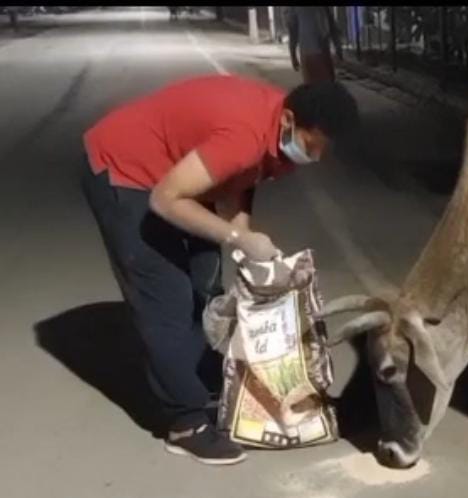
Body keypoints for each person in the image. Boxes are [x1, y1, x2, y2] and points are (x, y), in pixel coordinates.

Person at [80, 75, 359, 465]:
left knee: (205, 277)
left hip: (178, 175)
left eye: (323, 151)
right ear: (290, 119)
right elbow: (165, 199)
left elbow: (237, 180)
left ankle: (203, 375)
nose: (315, 156)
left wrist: (243, 239)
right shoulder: (244, 133)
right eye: (312, 146)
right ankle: (185, 423)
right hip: (124, 169)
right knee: (167, 297)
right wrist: (236, 237)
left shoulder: (279, 129)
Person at [286, 6, 343, 84]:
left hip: (310, 54)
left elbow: (293, 32)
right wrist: (338, 49)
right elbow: (333, 27)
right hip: (320, 53)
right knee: (327, 87)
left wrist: (293, 56)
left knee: (313, 88)